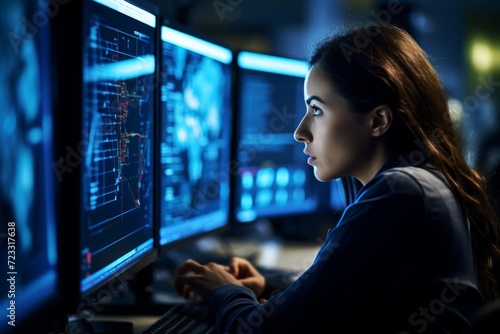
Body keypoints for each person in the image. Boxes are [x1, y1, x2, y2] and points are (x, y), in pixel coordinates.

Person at [173, 23, 500, 333]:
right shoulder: (422, 184)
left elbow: (260, 331)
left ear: (378, 121)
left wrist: (223, 292)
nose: (300, 132)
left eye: (316, 110)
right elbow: (358, 300)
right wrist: (272, 289)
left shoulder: (402, 191)